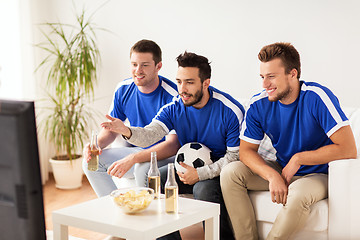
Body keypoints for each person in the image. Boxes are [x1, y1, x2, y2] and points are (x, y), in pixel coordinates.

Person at [101, 51, 245, 240]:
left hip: (217, 172)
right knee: (153, 181)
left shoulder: (230, 111)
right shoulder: (175, 106)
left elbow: (234, 157)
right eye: (179, 81)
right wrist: (127, 131)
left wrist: (200, 174)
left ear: (206, 83)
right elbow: (150, 134)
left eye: (189, 82)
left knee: (204, 189)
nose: (182, 89)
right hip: (186, 169)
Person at [220, 42, 357, 240]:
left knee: (298, 195)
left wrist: (299, 159)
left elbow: (348, 149)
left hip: (317, 174)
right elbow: (246, 151)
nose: (265, 84)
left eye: (272, 77)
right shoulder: (259, 104)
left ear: (293, 74)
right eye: (262, 77)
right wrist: (271, 176)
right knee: (230, 173)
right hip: (282, 170)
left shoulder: (317, 97)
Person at [83, 39, 180, 197]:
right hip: (138, 150)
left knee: (142, 168)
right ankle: (116, 208)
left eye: (145, 65)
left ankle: (151, 217)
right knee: (91, 162)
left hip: (165, 155)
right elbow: (111, 130)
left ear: (158, 67)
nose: (138, 70)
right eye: (134, 64)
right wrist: (95, 145)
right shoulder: (123, 89)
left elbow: (172, 145)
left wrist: (133, 158)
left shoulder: (173, 96)